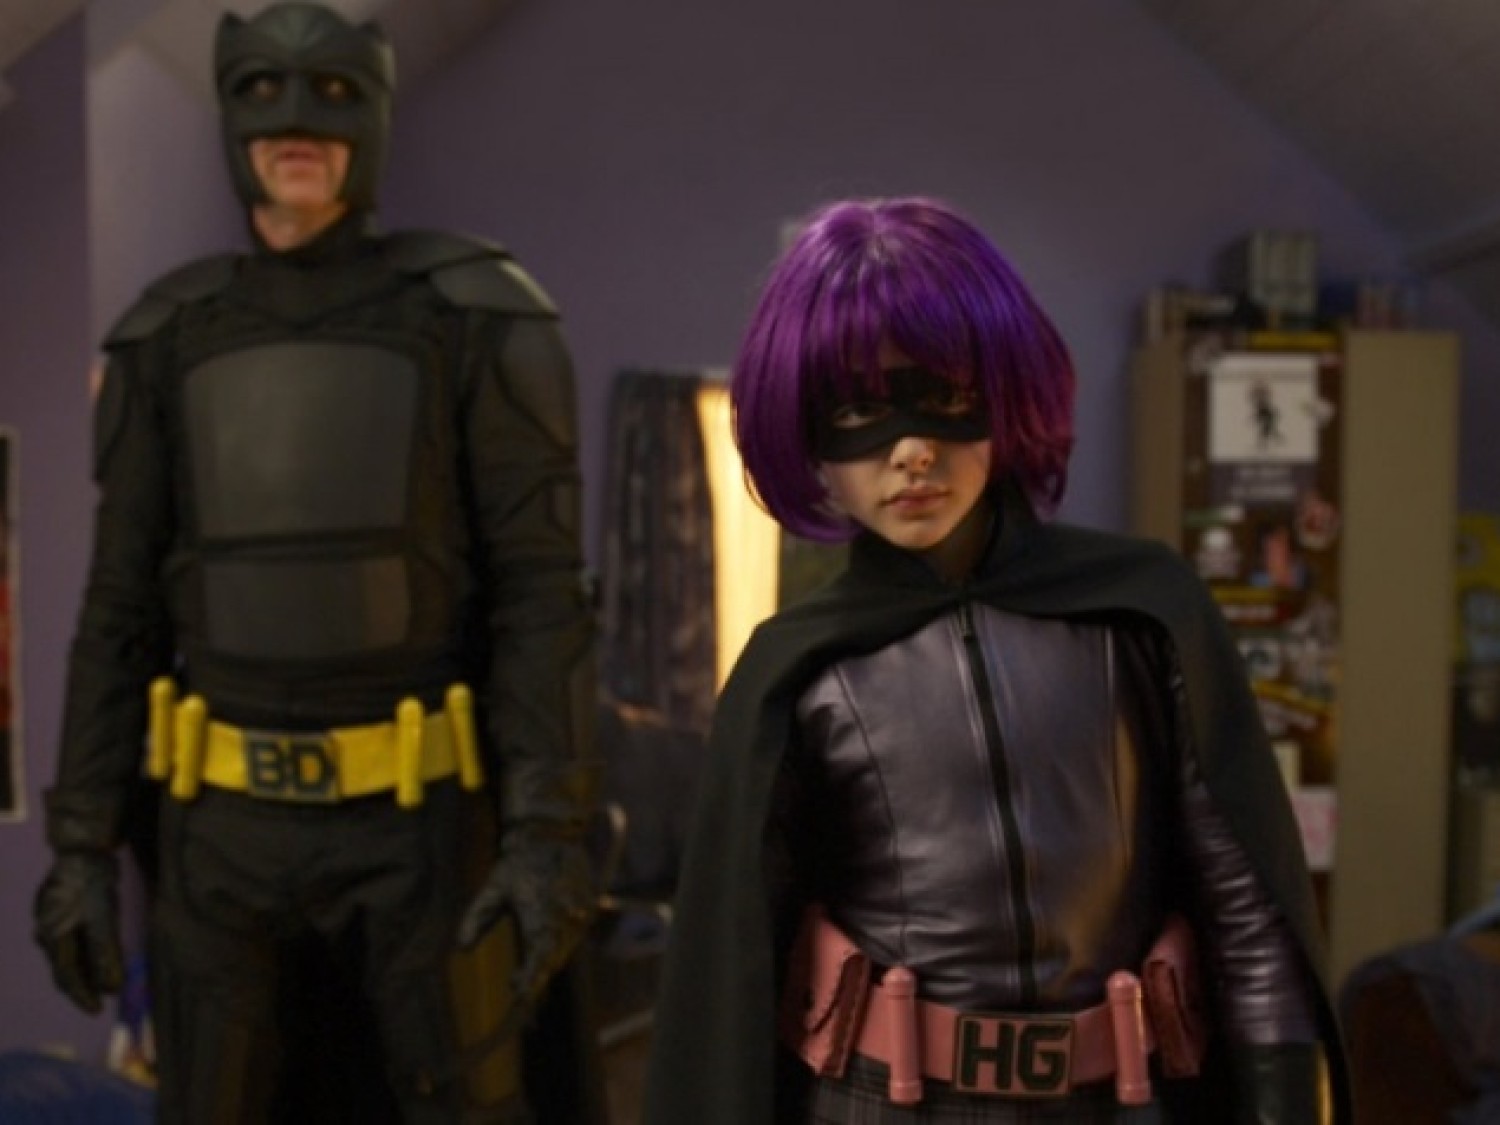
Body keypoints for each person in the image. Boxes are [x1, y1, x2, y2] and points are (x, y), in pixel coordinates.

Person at [642, 197, 1348, 1123]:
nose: (911, 451)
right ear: (809, 435)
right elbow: (734, 974)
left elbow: (1247, 909)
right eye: (858, 411)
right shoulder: (796, 669)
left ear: (1004, 392)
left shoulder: (1141, 610)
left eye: (943, 397)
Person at [30, 5, 601, 1122]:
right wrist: (81, 844)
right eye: (265, 94)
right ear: (229, 114)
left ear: (376, 113)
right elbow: (118, 609)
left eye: (333, 95)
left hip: (420, 830)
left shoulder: (471, 315)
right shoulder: (170, 335)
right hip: (220, 839)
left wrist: (549, 832)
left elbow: (541, 596)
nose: (297, 125)